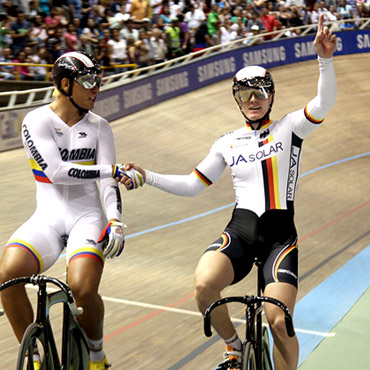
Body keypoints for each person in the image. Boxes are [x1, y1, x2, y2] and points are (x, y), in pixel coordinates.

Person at [120, 15, 337, 370]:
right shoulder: (227, 142)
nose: (253, 100)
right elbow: (193, 184)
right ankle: (233, 348)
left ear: (270, 95)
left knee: (279, 321)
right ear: (237, 99)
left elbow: (324, 103)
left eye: (260, 92)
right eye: (244, 93)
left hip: (279, 239)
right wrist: (148, 176)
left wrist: (324, 60)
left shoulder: (290, 127)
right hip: (239, 231)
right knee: (204, 285)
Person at [0, 51, 132, 370]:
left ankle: (97, 355)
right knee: (6, 274)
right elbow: (57, 172)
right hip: (46, 217)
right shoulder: (36, 120)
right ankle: (33, 357)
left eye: (97, 81)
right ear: (64, 84)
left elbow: (107, 185)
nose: (95, 88)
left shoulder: (100, 126)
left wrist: (114, 219)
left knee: (82, 289)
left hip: (86, 218)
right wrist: (111, 169)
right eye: (87, 81)